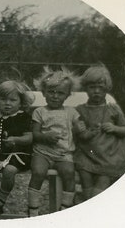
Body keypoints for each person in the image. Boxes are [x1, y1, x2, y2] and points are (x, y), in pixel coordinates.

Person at [28, 68, 83, 217]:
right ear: (44, 92)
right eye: (51, 92)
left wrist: (81, 128)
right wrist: (45, 137)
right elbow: (35, 134)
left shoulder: (71, 112)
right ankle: (33, 209)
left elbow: (80, 128)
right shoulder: (39, 111)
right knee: (38, 172)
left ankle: (65, 208)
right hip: (42, 153)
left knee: (69, 173)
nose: (55, 96)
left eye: (60, 93)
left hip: (64, 153)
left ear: (67, 95)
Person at [74, 65, 125, 201]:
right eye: (92, 88)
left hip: (109, 155)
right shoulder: (80, 110)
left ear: (107, 88)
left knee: (101, 183)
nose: (96, 91)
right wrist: (81, 130)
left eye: (101, 88)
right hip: (88, 154)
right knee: (84, 173)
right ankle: (86, 201)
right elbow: (79, 134)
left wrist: (114, 128)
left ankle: (92, 202)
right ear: (85, 88)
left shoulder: (113, 109)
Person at [0, 80, 34, 219]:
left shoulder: (23, 117)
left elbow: (29, 138)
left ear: (21, 102)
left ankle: (0, 201)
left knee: (9, 171)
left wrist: (16, 139)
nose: (7, 103)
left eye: (13, 100)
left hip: (18, 154)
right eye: (3, 99)